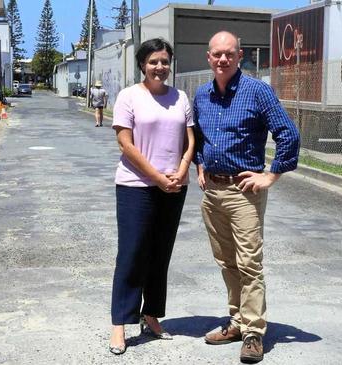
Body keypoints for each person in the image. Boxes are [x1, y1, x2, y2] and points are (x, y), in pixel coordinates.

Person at [193, 31, 300, 363]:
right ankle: (236, 322)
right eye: (217, 54)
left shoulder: (257, 92)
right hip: (213, 192)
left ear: (239, 56)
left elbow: (289, 134)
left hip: (243, 192)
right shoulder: (201, 95)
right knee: (226, 262)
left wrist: (270, 175)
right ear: (208, 58)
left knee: (249, 264)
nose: (223, 59)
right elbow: (196, 136)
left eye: (229, 54)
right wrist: (199, 165)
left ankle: (253, 333)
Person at [108, 38, 195, 355]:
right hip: (136, 186)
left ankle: (151, 315)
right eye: (154, 61)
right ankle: (119, 323)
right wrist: (157, 177)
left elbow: (190, 138)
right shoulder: (128, 97)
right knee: (132, 254)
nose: (160, 67)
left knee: (161, 254)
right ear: (143, 65)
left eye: (165, 62)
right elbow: (126, 145)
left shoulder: (180, 97)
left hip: (173, 187)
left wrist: (182, 169)